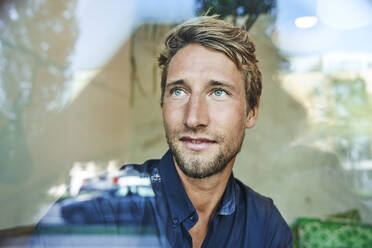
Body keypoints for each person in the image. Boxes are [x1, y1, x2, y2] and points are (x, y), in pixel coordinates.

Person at [29, 16, 293, 248]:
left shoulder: (265, 226)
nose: (194, 118)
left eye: (218, 92)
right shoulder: (95, 213)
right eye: (179, 91)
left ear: (251, 112)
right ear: (163, 104)